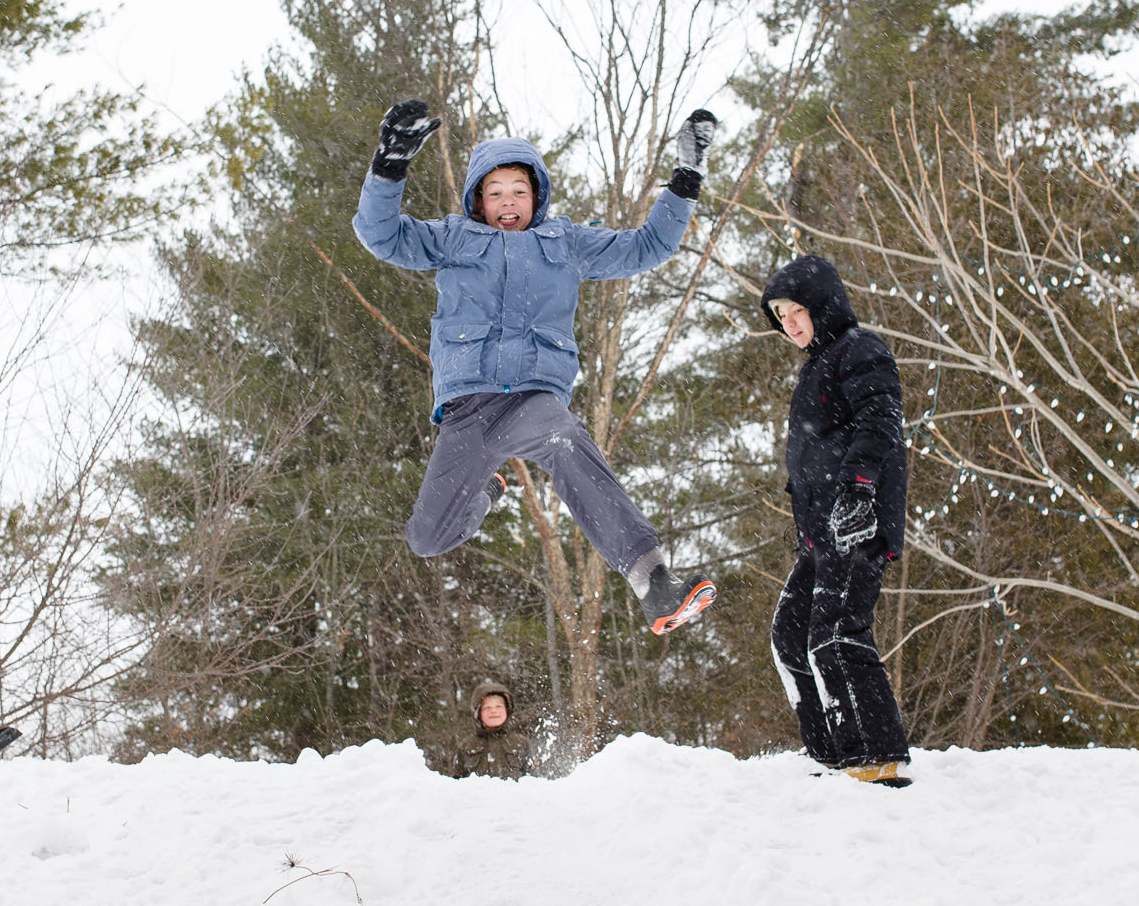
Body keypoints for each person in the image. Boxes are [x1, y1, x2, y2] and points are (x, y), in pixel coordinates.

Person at [353, 99, 719, 635]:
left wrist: (685, 178)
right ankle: (489, 491)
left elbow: (650, 247)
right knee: (427, 538)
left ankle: (652, 579)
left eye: (519, 191)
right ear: (478, 199)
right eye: (496, 192)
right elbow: (380, 235)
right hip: (469, 407)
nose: (508, 202)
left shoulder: (566, 243)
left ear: (537, 196)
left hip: (532, 402)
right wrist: (389, 165)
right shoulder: (454, 239)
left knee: (566, 439)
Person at [759, 254, 913, 786]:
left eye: (797, 310)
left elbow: (881, 420)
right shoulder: (817, 365)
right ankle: (830, 752)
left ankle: (875, 754)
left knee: (837, 631)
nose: (791, 324)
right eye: (782, 317)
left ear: (822, 305)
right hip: (822, 530)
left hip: (856, 519)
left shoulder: (859, 348)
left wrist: (859, 490)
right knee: (791, 633)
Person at [432, 680, 534, 779]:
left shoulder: (521, 743)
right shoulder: (466, 746)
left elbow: (533, 781)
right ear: (478, 713)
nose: (493, 711)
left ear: (507, 710)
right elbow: (456, 782)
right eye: (487, 708)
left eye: (498, 706)